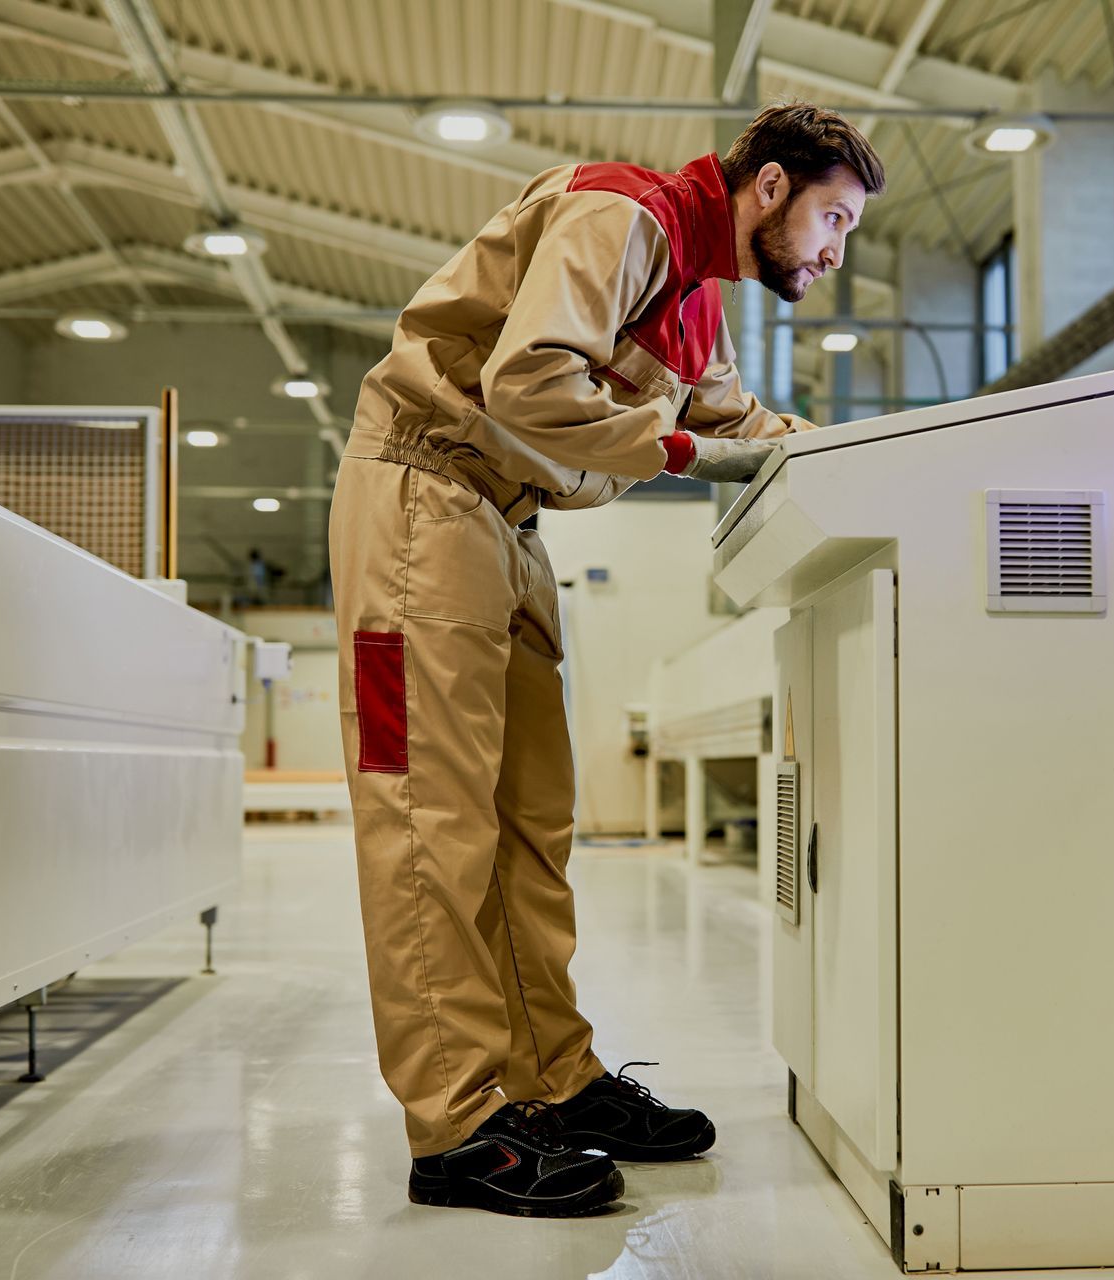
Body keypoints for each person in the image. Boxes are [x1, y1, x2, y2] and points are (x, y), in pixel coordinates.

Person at [329, 102, 884, 1218]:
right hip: (421, 501)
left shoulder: (695, 301)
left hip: (512, 527)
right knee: (431, 818)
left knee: (532, 819)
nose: (834, 251)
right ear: (768, 188)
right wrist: (683, 448)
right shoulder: (620, 214)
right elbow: (528, 384)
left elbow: (743, 420)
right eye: (832, 217)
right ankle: (458, 1121)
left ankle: (551, 1078)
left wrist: (885, 452)